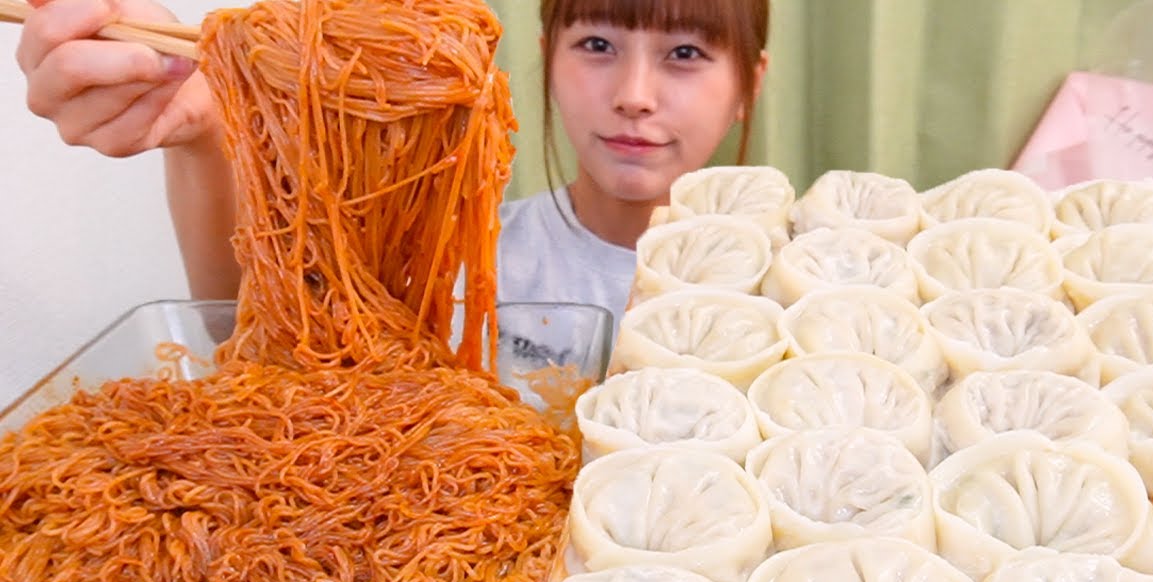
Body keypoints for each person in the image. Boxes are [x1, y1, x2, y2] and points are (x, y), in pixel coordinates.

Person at [16, 0, 769, 348]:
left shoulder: (785, 289)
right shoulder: (453, 264)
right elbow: (247, 330)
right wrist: (206, 135)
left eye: (686, 54)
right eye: (598, 44)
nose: (635, 95)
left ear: (750, 86)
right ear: (546, 54)